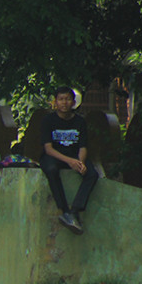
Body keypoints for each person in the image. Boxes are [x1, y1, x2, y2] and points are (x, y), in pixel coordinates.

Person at [40, 86, 98, 234]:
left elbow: (83, 147)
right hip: (55, 156)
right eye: (61, 99)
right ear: (55, 102)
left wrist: (80, 162)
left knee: (91, 174)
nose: (64, 103)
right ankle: (64, 210)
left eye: (67, 99)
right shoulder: (48, 121)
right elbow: (48, 149)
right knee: (51, 170)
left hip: (74, 155)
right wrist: (69, 161)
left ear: (73, 102)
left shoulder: (80, 122)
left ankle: (75, 210)